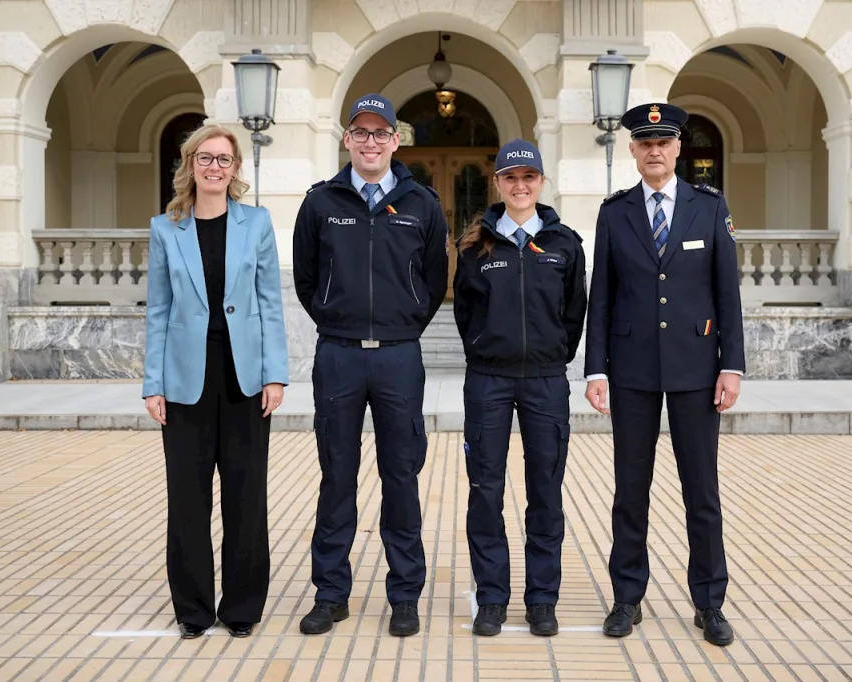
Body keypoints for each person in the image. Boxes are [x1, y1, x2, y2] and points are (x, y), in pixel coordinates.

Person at [582, 103, 744, 647]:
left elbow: (728, 294)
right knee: (631, 491)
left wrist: (732, 364)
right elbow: (600, 296)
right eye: (644, 142)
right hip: (630, 373)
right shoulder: (615, 212)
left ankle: (709, 602)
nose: (654, 150)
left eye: (664, 142)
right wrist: (596, 369)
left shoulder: (709, 207)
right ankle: (628, 597)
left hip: (697, 369)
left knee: (702, 492)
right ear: (631, 150)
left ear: (678, 149)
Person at [292, 93, 449, 637]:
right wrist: (338, 321)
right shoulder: (319, 202)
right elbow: (307, 280)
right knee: (336, 476)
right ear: (347, 140)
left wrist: (402, 326)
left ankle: (404, 595)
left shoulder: (421, 204)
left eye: (381, 133)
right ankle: (331, 593)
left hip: (398, 359)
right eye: (361, 132)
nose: (371, 142)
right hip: (337, 355)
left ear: (395, 141)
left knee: (400, 476)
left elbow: (432, 281)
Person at [142, 123, 289, 640]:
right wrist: (152, 383)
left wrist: (276, 374)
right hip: (185, 380)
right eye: (205, 158)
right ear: (189, 165)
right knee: (187, 497)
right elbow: (158, 311)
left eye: (224, 160)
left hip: (246, 379)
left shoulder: (257, 223)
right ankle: (193, 609)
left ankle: (242, 606)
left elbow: (271, 302)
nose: (214, 167)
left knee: (247, 496)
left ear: (235, 170)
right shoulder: (166, 228)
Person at [453, 139, 587, 637]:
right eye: (510, 177)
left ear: (541, 183)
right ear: (498, 184)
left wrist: (554, 355)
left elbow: (574, 313)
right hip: (488, 380)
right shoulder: (475, 244)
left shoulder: (563, 243)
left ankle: (542, 600)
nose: (520, 185)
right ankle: (491, 598)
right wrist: (488, 349)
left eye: (528, 177)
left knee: (545, 492)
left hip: (546, 382)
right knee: (485, 490)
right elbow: (464, 312)